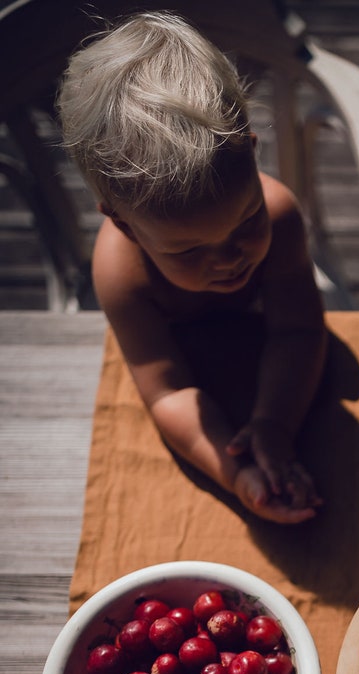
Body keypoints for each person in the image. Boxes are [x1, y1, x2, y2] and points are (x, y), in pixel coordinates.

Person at [57, 11, 327, 524]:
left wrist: (273, 424)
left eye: (247, 219)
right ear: (125, 226)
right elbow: (167, 390)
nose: (229, 259)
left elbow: (297, 330)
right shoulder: (120, 273)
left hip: (264, 362)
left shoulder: (282, 214)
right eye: (185, 251)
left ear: (251, 152)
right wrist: (235, 471)